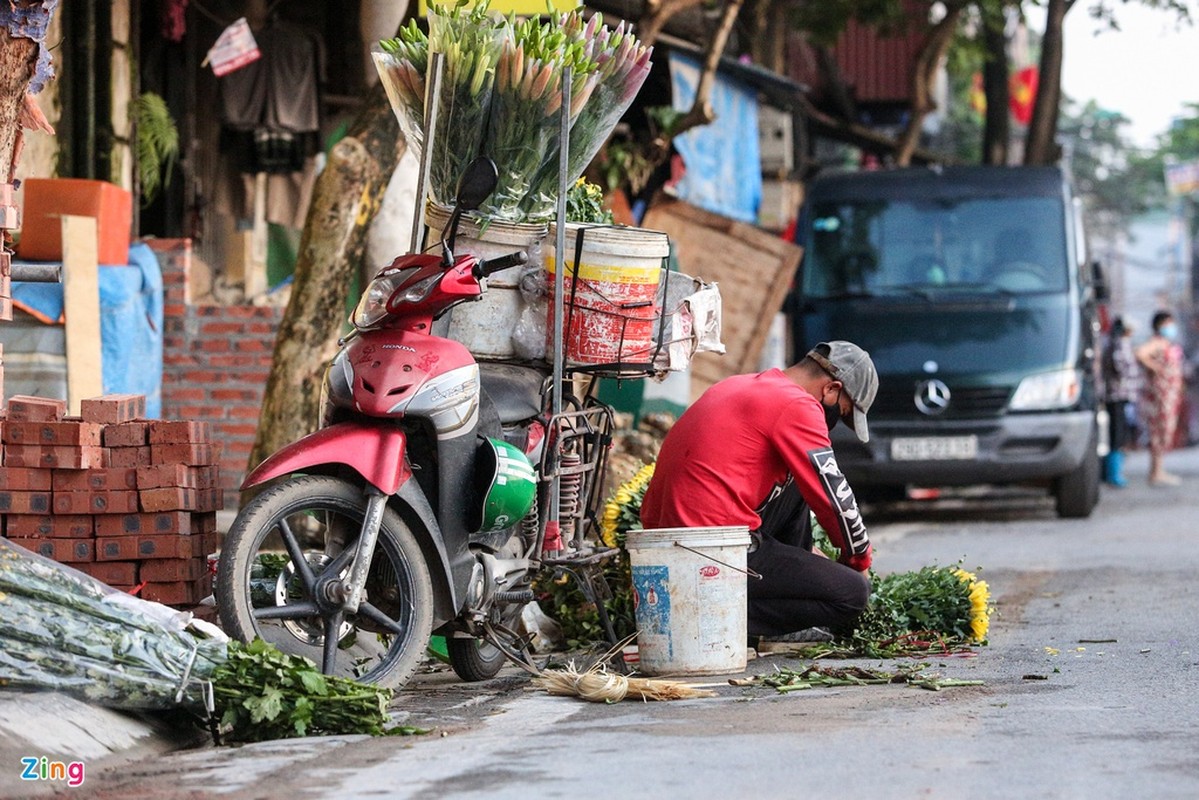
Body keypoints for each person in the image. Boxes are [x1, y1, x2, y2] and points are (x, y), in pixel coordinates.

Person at [640, 341, 878, 642]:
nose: (835, 423)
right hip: (711, 551)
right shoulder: (797, 405)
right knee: (853, 593)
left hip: (664, 546)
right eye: (842, 414)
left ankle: (781, 576)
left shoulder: (742, 385)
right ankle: (718, 618)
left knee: (800, 474)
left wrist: (806, 558)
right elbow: (834, 495)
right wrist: (858, 561)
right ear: (831, 389)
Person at [1135, 310, 1185, 486]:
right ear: (1160, 325)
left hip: (1170, 396)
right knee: (1159, 431)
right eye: (1168, 324)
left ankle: (1158, 470)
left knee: (1165, 432)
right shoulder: (1157, 343)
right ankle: (1156, 472)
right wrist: (1155, 367)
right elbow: (1140, 353)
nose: (1171, 327)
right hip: (1160, 396)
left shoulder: (1168, 344)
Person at [1101, 317, 1140, 487]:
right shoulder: (1119, 345)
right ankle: (1112, 473)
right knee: (1116, 435)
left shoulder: (1114, 343)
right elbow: (1121, 368)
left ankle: (1114, 471)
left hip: (1121, 396)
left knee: (1121, 434)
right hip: (1117, 395)